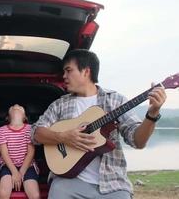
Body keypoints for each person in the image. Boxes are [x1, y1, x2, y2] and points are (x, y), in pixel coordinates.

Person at [31, 49, 167, 199]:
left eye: (68, 70)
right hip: (68, 182)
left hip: (113, 184)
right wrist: (63, 137)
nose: (64, 76)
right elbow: (36, 133)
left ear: (86, 71)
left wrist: (152, 114)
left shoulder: (115, 101)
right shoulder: (59, 105)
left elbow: (138, 142)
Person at [0, 104, 41, 199]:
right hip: (8, 166)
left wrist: (21, 172)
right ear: (7, 118)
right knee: (3, 193)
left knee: (35, 195)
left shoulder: (30, 129)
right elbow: (4, 154)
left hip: (27, 166)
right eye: (12, 106)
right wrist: (14, 172)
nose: (16, 105)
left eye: (20, 107)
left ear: (25, 118)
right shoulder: (1, 131)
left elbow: (31, 153)